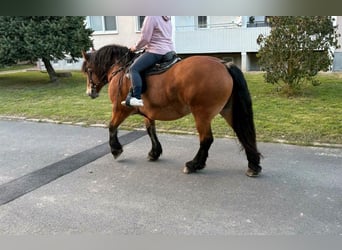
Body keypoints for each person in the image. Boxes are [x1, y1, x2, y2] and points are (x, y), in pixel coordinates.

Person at [122, 16, 174, 107]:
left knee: (133, 69)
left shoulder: (151, 16)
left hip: (156, 51)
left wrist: (135, 47)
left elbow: (145, 39)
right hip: (169, 51)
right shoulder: (167, 17)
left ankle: (136, 97)